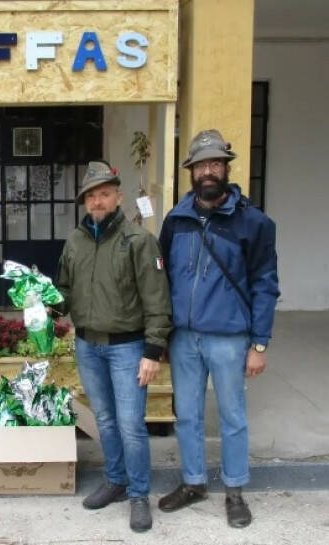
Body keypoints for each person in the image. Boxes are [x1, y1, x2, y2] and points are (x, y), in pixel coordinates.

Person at [158, 130, 279, 528]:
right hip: (184, 338)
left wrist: (259, 344)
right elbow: (164, 281)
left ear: (226, 168)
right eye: (201, 165)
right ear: (191, 172)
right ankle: (193, 482)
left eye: (215, 164)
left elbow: (265, 284)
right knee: (187, 415)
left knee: (232, 416)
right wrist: (160, 334)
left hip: (229, 338)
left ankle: (235, 490)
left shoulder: (254, 223)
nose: (208, 172)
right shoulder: (176, 220)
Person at [55, 160, 172, 533]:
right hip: (88, 346)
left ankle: (139, 494)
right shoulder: (74, 240)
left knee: (131, 425)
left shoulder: (138, 241)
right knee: (104, 420)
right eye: (91, 196)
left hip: (128, 348)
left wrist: (153, 351)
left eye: (104, 194)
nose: (98, 201)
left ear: (118, 196)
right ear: (85, 202)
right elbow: (66, 290)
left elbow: (157, 300)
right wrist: (46, 303)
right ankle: (116, 480)